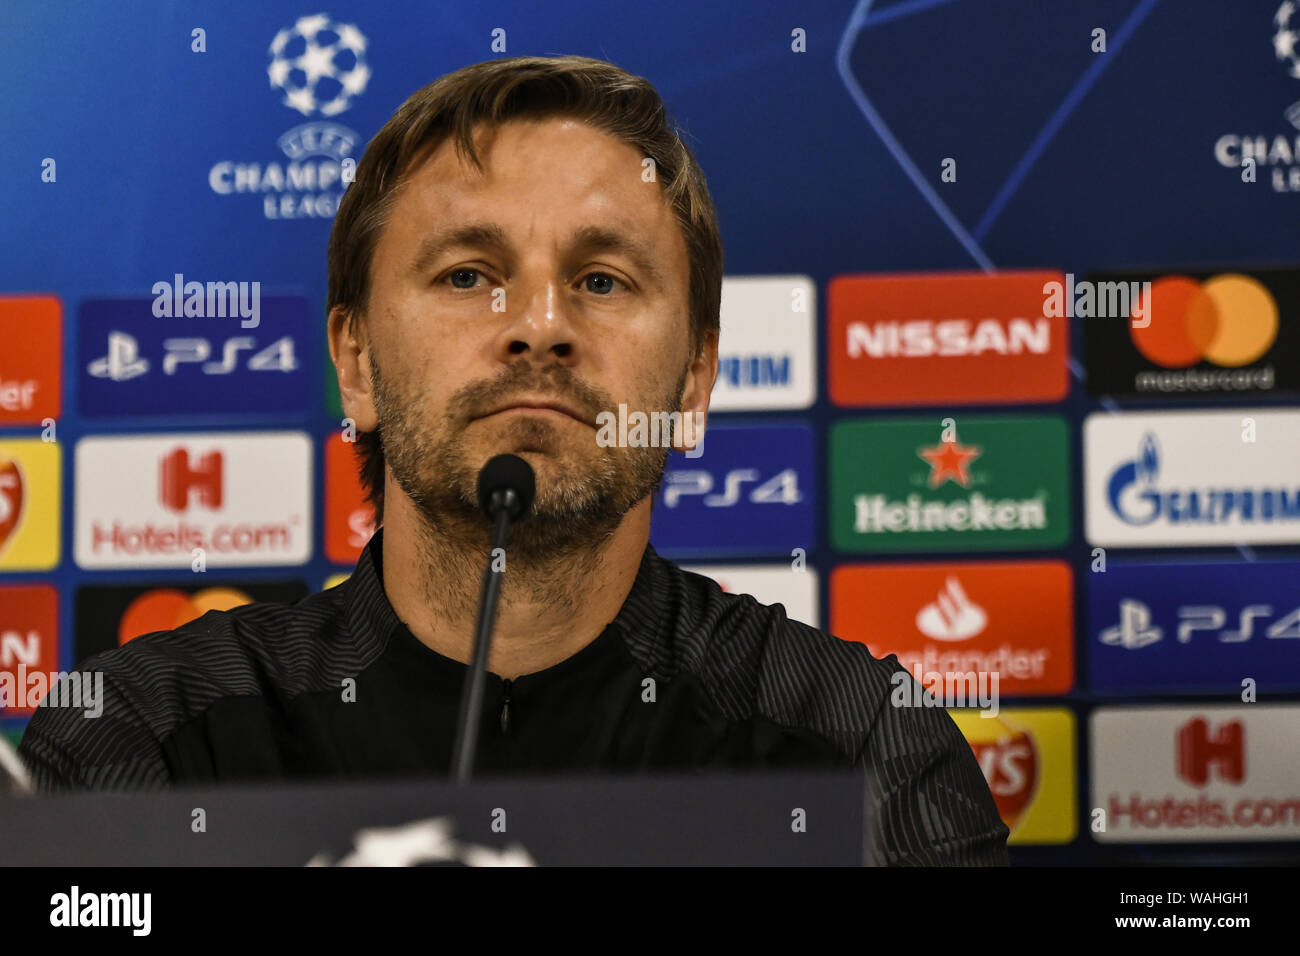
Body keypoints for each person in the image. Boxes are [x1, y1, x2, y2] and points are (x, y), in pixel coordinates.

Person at [19, 55, 1008, 865]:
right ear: (355, 362)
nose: (538, 325)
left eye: (601, 277)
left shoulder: (858, 747)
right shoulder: (144, 738)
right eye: (468, 274)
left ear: (695, 381)